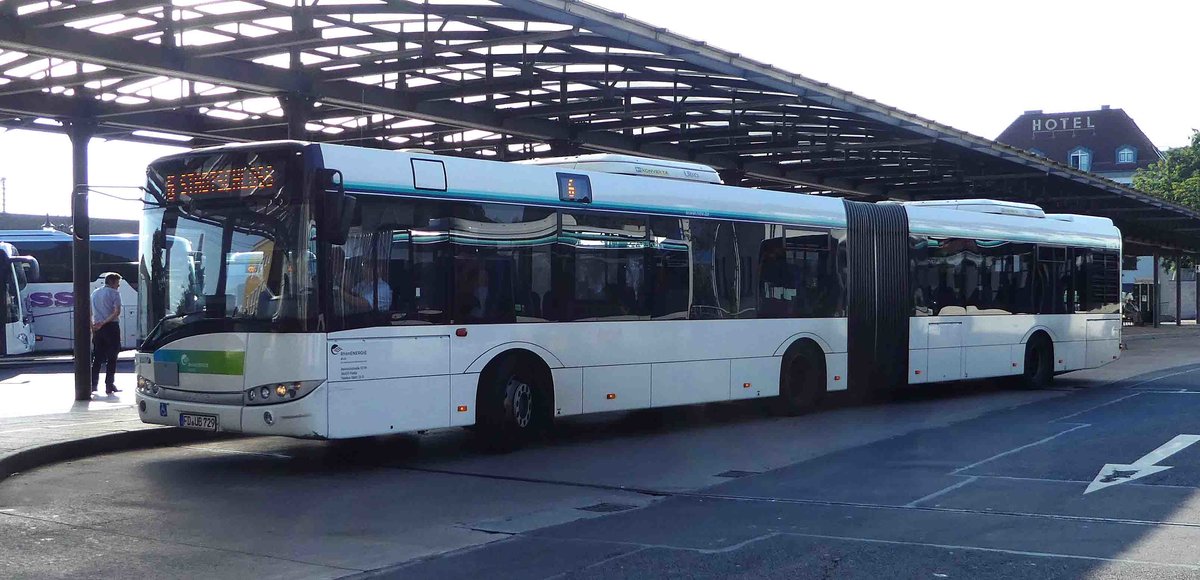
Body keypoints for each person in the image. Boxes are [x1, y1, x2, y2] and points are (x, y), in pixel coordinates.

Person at [90, 272, 123, 395]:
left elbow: (89, 311)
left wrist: (92, 326)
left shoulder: (95, 293)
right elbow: (116, 312)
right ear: (112, 282)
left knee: (97, 357)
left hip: (97, 328)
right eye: (117, 283)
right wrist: (104, 322)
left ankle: (93, 384)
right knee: (112, 357)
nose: (118, 286)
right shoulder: (114, 293)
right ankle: (109, 385)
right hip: (111, 327)